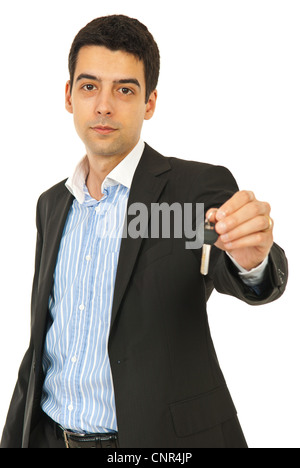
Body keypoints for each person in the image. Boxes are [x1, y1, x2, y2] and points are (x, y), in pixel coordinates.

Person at [1, 14, 288, 449]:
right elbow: (44, 334)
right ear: (69, 95)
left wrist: (252, 261)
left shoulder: (189, 192)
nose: (103, 105)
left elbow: (242, 269)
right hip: (49, 435)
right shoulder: (52, 204)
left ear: (149, 103)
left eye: (125, 89)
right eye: (89, 86)